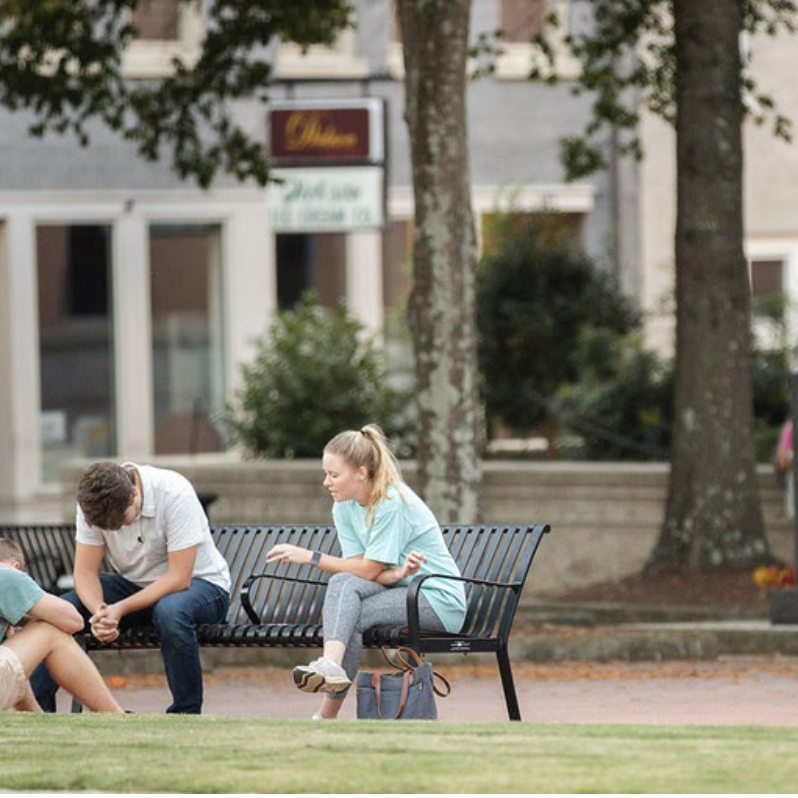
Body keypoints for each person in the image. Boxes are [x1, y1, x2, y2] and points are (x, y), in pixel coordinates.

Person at [267, 424, 467, 720]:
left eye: (334, 475)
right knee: (344, 586)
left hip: (436, 599)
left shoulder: (391, 502)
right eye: (326, 474)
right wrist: (399, 574)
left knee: (350, 608)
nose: (326, 482)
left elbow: (369, 568)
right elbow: (363, 573)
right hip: (399, 588)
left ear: (361, 472)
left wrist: (311, 557)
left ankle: (326, 708)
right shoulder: (344, 506)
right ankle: (330, 672)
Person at [31, 461, 231, 714]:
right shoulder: (91, 506)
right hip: (134, 588)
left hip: (202, 587)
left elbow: (179, 578)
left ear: (134, 493)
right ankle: (37, 711)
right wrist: (100, 613)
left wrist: (120, 609)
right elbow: (84, 572)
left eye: (123, 519)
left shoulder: (174, 492)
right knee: (60, 611)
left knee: (171, 611)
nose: (121, 528)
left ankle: (185, 713)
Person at [0, 538, 123, 713]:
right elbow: (74, 621)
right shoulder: (6, 575)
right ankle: (114, 715)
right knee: (50, 630)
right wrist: (31, 617)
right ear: (18, 567)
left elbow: (16, 669)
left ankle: (38, 717)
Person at [776, 419, 794, 519]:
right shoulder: (790, 426)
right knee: (791, 485)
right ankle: (792, 514)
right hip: (790, 459)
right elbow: (784, 447)